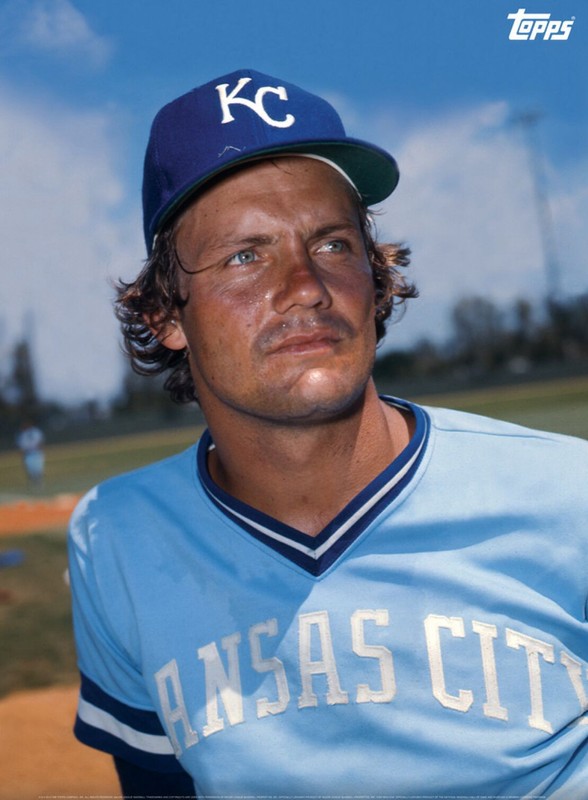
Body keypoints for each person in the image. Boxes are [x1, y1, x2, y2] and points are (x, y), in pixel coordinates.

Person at [68, 69, 588, 799]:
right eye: (245, 256)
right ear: (166, 315)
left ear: (376, 279)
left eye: (335, 244)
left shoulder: (572, 498)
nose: (306, 286)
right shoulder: (117, 538)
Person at [16, 420, 45, 489]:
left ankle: (39, 483)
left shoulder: (35, 432)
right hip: (28, 454)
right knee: (31, 470)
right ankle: (33, 483)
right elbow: (22, 446)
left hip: (37, 453)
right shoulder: (22, 435)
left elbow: (40, 441)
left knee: (38, 469)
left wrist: (40, 448)